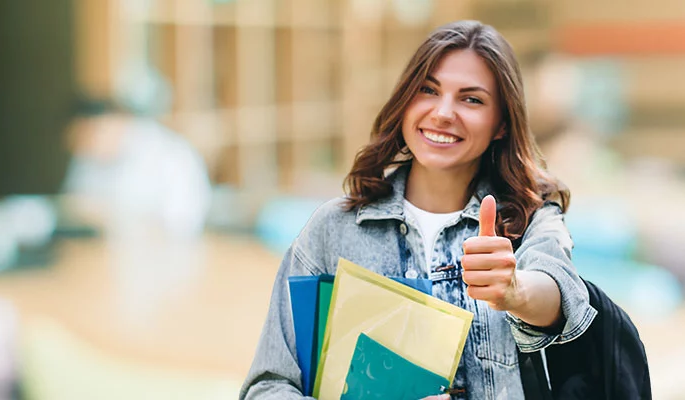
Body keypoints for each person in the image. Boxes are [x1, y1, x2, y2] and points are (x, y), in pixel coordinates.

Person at [240, 20, 596, 399]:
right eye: (428, 90)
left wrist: (514, 291)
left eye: (471, 99)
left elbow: (563, 296)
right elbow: (269, 386)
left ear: (502, 125)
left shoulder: (530, 220)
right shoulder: (333, 229)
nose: (443, 113)